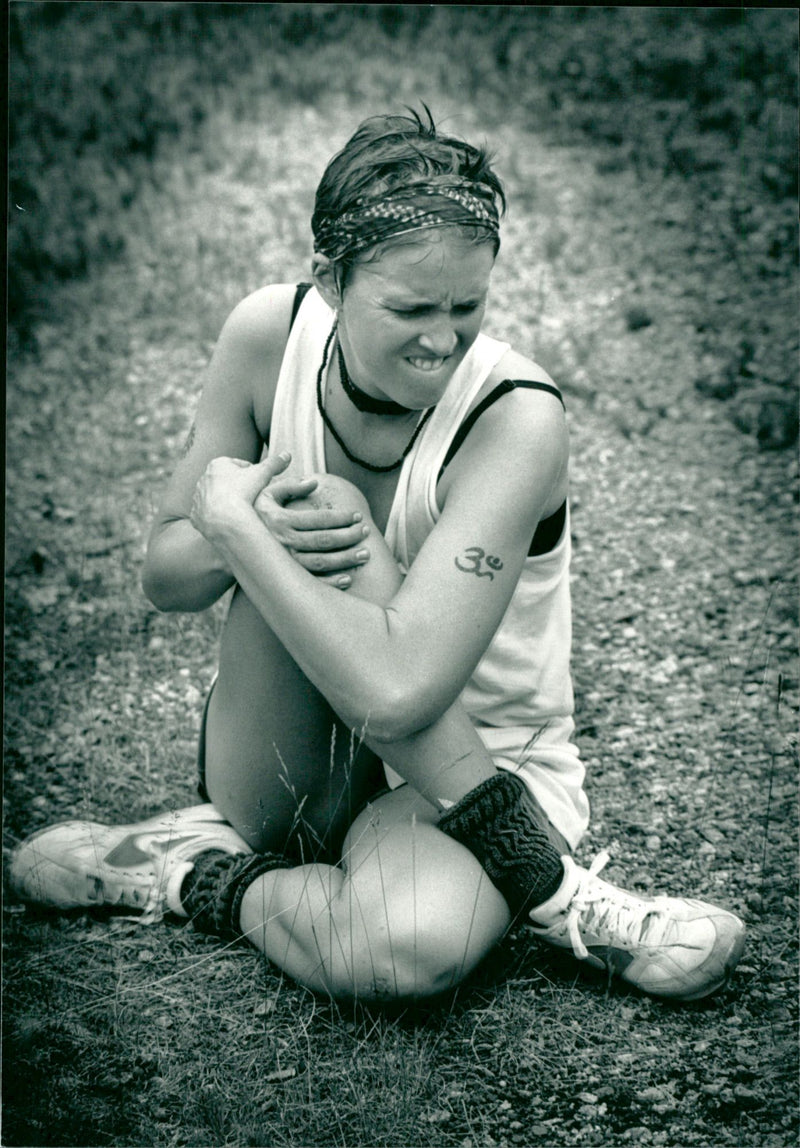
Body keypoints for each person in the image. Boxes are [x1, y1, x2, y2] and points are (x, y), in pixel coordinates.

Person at [10, 108, 746, 1003]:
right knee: (318, 511)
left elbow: (402, 694)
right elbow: (165, 575)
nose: (442, 340)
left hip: (486, 764)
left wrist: (250, 530)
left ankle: (187, 869)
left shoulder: (515, 418)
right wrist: (242, 533)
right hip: (293, 746)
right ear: (329, 279)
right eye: (409, 307)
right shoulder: (265, 337)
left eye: (467, 307)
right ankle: (559, 900)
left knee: (399, 954)